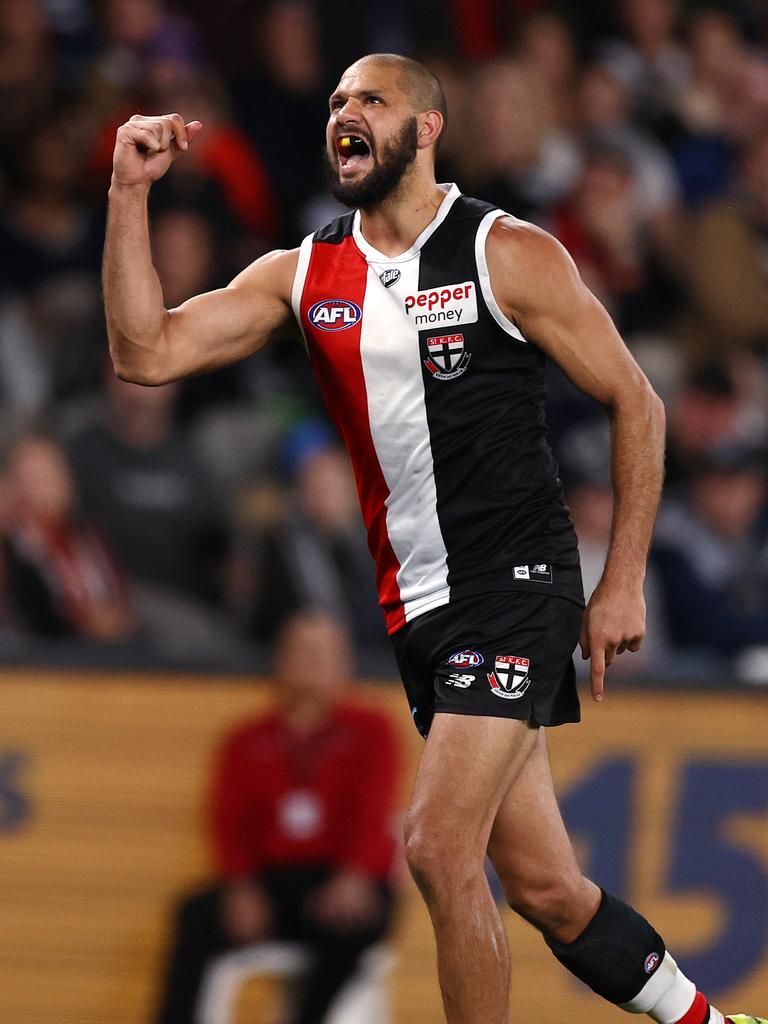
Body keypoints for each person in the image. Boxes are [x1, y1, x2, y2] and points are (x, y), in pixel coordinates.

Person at [103, 52, 764, 1024]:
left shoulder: (508, 251)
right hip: (421, 612)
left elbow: (639, 401)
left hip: (518, 583)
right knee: (546, 889)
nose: (344, 114)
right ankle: (710, 1022)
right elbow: (143, 352)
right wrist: (127, 191)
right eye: (334, 102)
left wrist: (618, 580)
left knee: (434, 847)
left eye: (370, 99)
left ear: (425, 128)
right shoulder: (307, 272)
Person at [152, 611, 399, 1024]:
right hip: (271, 884)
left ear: (345, 664)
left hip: (340, 878)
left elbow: (376, 812)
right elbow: (227, 823)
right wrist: (241, 885)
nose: (312, 663)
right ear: (279, 660)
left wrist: (355, 875)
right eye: (302, 652)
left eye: (323, 654)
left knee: (356, 919)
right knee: (194, 915)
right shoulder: (245, 739)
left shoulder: (372, 730)